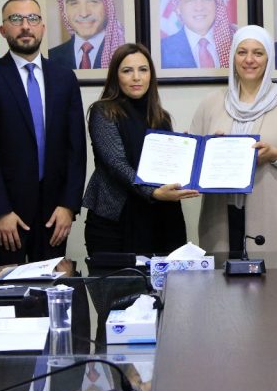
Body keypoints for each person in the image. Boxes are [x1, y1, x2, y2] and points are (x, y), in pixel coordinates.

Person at [0, 0, 87, 266]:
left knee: (52, 287)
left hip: (54, 213)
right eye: (16, 19)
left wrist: (68, 206)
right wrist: (0, 211)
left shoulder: (64, 77)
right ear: (3, 29)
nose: (25, 26)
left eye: (32, 18)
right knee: (8, 288)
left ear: (42, 27)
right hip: (7, 216)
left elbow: (76, 148)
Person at [189, 25, 277, 268]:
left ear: (269, 58)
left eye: (258, 53)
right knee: (222, 288)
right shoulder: (211, 103)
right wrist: (208, 150)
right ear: (232, 57)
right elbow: (193, 165)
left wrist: (276, 155)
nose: (249, 60)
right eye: (242, 52)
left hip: (274, 219)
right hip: (220, 219)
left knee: (275, 288)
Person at [82, 43, 199, 256]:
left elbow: (167, 167)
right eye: (127, 71)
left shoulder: (161, 117)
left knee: (167, 278)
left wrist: (190, 152)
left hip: (161, 221)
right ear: (116, 76)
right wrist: (153, 192)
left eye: (143, 70)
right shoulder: (103, 112)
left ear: (150, 75)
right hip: (115, 223)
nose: (136, 77)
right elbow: (116, 164)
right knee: (118, 280)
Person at [48, 0, 126, 70]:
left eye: (93, 2)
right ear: (64, 10)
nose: (84, 14)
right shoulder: (51, 57)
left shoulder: (124, 53)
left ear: (107, 7)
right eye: (74, 3)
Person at [160, 0, 235, 69]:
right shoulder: (162, 50)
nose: (199, 7)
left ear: (216, 4)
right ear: (178, 8)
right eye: (190, 0)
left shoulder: (236, 43)